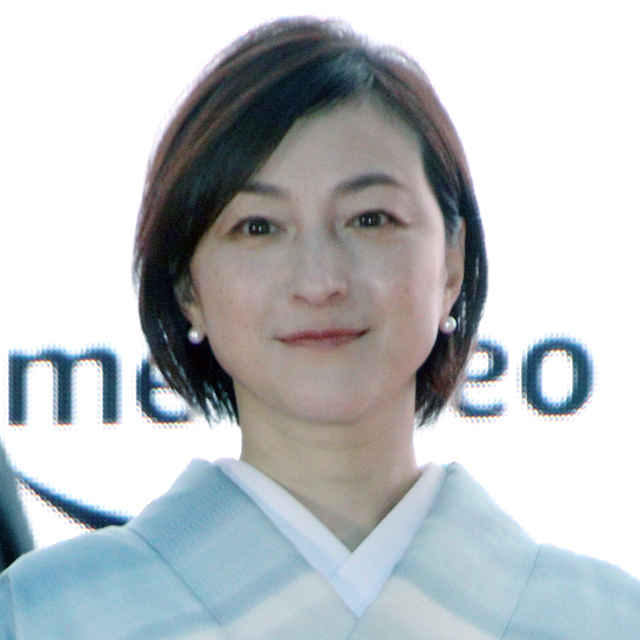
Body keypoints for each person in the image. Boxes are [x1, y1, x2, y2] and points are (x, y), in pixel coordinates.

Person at [1, 17, 639, 639]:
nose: (320, 279)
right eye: (258, 227)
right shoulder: (45, 615)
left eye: (370, 219)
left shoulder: (604, 620)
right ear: (188, 289)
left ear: (451, 263)